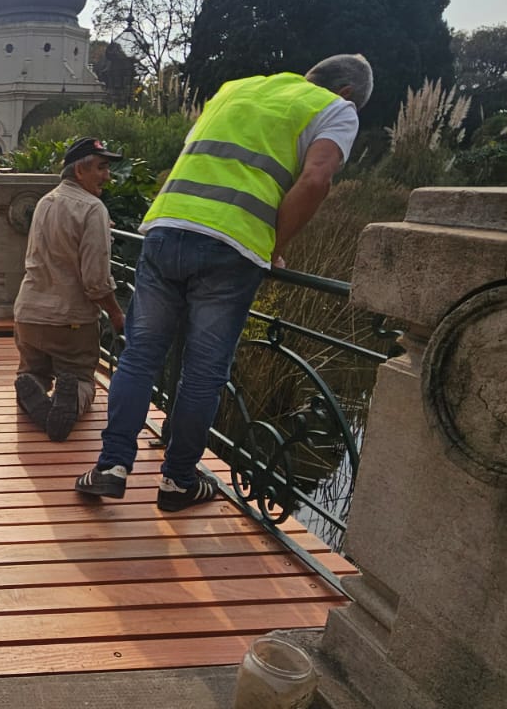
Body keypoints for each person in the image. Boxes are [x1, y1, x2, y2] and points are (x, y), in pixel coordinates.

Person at [76, 54, 371, 511]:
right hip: (231, 246)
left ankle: (112, 466)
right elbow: (316, 179)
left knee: (140, 356)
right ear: (348, 93)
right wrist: (274, 242)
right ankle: (177, 482)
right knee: (203, 373)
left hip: (167, 225)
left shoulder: (238, 85)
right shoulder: (336, 108)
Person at [12, 136, 125, 441]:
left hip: (28, 316)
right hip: (69, 322)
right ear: (80, 172)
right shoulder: (92, 209)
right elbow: (95, 282)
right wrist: (115, 313)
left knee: (34, 372)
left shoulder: (45, 203)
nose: (107, 175)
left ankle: (31, 386)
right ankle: (72, 397)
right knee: (83, 379)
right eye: (101, 168)